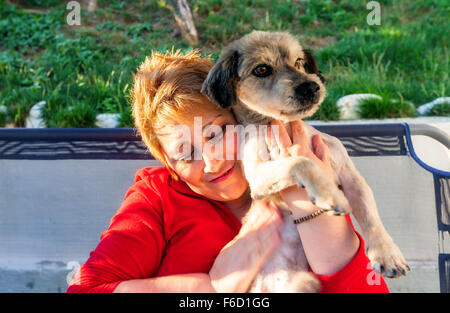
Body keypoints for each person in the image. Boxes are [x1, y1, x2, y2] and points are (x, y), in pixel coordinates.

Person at [67, 50, 389, 293]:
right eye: (185, 153)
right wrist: (212, 287)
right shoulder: (157, 197)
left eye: (218, 133)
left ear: (243, 118)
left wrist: (303, 201)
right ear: (169, 165)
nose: (212, 162)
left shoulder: (292, 161)